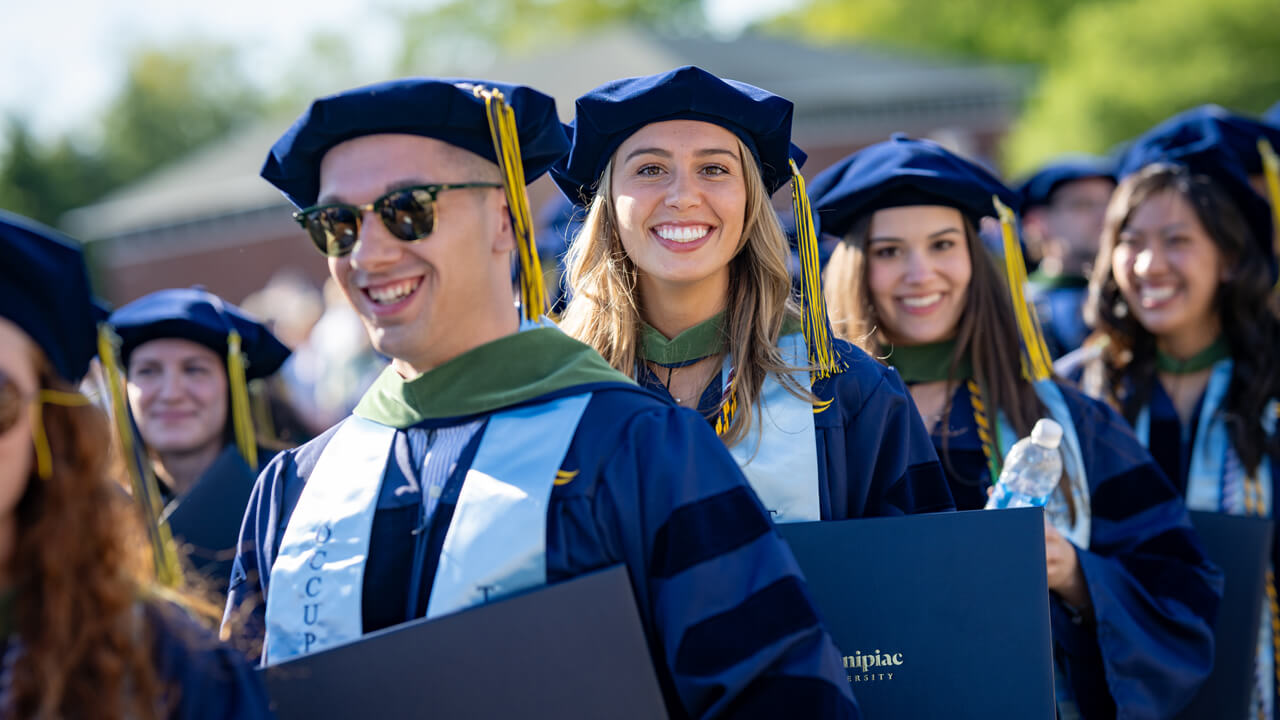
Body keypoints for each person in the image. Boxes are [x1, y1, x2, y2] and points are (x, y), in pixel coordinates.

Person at [224, 77, 859, 718]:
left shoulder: (638, 448)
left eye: (406, 210)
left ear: (504, 219)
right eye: (337, 225)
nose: (369, 252)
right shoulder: (294, 491)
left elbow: (784, 700)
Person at [811, 134, 1222, 719]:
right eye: (888, 251)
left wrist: (1075, 573)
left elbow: (1180, 582)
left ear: (975, 258)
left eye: (943, 244)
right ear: (853, 265)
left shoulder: (1066, 419)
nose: (920, 273)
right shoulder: (813, 424)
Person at [553, 66, 952, 523]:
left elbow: (922, 579)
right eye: (650, 169)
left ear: (750, 201)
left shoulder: (845, 391)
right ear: (607, 202)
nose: (683, 196)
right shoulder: (553, 396)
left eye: (714, 168)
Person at [0, 210, 270, 719]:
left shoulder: (167, 665)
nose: (171, 392)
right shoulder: (118, 509)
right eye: (148, 371)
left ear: (49, 421)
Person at [1085, 121, 1280, 718]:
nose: (1149, 264)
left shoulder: (1273, 380)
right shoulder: (1077, 391)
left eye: (1177, 240)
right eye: (1132, 240)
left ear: (1228, 257)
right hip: (1120, 682)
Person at [106, 288, 291, 597]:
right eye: (148, 371)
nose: (171, 393)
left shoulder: (290, 491)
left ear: (232, 386)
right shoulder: (102, 513)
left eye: (194, 369)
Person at [1017, 156, 1116, 358]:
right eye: (1083, 205)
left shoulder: (1131, 295)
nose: (1104, 216)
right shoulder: (1020, 310)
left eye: (1110, 202)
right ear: (1036, 222)